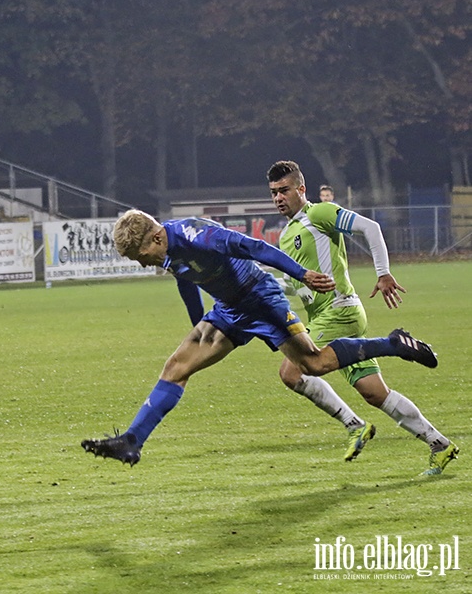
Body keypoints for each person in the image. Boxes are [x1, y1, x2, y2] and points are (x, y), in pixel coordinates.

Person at [81, 209, 439, 467]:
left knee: (314, 364)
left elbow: (254, 248)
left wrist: (302, 274)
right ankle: (132, 441)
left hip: (259, 298)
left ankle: (393, 344)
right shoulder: (167, 251)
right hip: (228, 308)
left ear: (156, 237)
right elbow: (186, 280)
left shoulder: (199, 236)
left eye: (141, 256)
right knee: (176, 367)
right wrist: (199, 324)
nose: (143, 263)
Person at [270, 160, 458, 475]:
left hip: (339, 311)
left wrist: (383, 274)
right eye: (274, 193)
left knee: (292, 371)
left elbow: (371, 228)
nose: (278, 198)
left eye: (284, 190)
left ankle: (357, 418)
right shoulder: (287, 235)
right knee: (375, 393)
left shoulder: (318, 214)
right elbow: (294, 285)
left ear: (301, 189)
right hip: (326, 317)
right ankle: (439, 444)